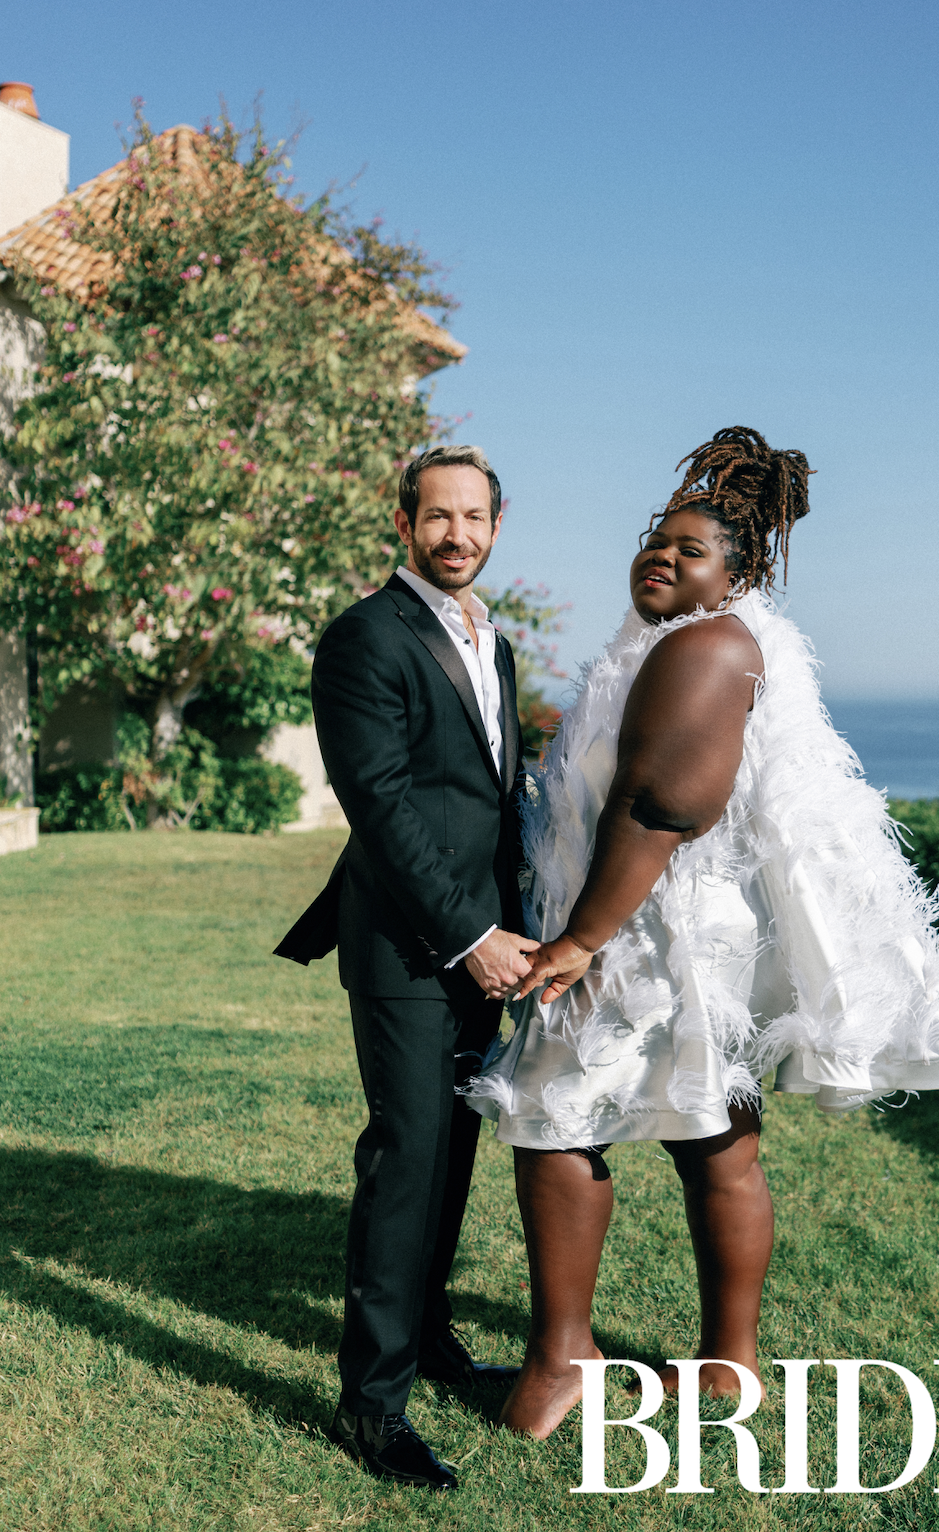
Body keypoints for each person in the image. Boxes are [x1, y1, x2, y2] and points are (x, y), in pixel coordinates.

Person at [467, 425, 939, 1439]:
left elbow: (660, 804)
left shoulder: (708, 646)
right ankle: (729, 1367)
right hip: (681, 932)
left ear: (739, 574)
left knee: (552, 1116)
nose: (662, 555)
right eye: (655, 538)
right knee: (715, 1136)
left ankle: (564, 1360)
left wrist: (580, 938)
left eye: (691, 550)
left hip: (645, 939)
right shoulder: (668, 645)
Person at [275, 445, 538, 1490]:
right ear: (403, 522)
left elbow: (486, 796)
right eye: (438, 517)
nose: (457, 535)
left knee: (455, 1152)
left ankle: (429, 1337)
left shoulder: (494, 641)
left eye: (474, 518)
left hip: (490, 949)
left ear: (496, 525)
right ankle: (372, 1406)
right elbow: (380, 804)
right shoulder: (363, 639)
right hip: (405, 947)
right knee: (406, 1156)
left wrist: (524, 929)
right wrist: (473, 940)